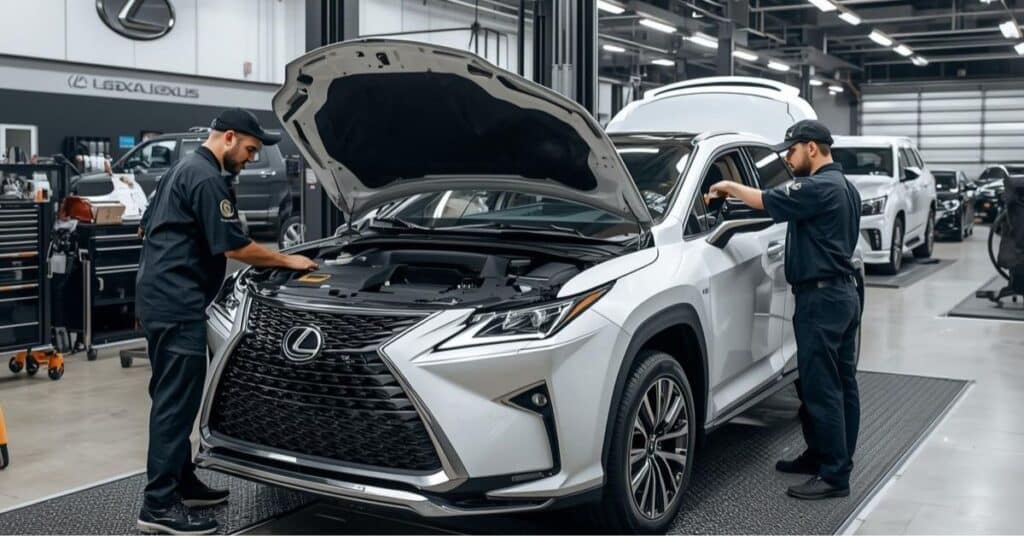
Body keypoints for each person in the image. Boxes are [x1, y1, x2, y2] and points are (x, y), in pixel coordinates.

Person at [135, 109, 318, 534]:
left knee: (170, 396)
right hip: (177, 302)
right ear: (230, 138)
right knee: (175, 404)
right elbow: (233, 245)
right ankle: (158, 506)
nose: (252, 158)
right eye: (251, 150)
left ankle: (181, 481)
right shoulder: (207, 178)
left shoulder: (181, 169)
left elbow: (145, 230)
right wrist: (287, 259)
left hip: (158, 298)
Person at [705, 119, 862, 500]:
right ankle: (825, 456)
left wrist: (726, 185)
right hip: (841, 294)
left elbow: (764, 200)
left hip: (821, 300)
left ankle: (834, 476)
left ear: (812, 148)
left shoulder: (818, 187)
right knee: (838, 384)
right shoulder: (847, 188)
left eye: (791, 150)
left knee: (821, 386)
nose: (788, 159)